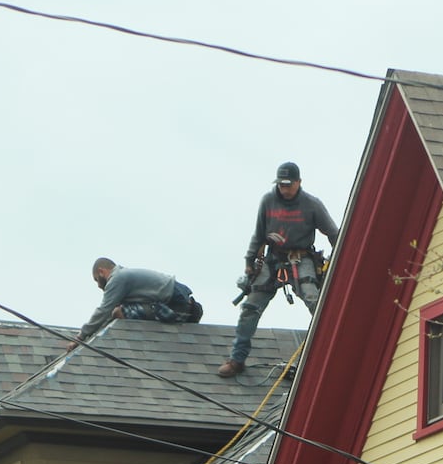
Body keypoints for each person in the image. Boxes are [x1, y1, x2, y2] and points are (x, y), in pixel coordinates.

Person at [219, 161, 339, 377]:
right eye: (281, 185)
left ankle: (332, 353)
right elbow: (259, 234)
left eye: (288, 184)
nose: (284, 189)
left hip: (300, 258)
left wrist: (341, 260)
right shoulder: (268, 201)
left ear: (298, 183)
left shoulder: (311, 204)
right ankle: (237, 360)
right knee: (250, 308)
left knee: (315, 300)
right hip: (272, 260)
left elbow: (334, 234)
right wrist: (249, 261)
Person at [79, 258, 203, 338]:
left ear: (101, 271)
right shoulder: (124, 277)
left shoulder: (117, 279)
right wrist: (92, 333)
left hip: (178, 306)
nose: (99, 285)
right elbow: (107, 315)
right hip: (184, 302)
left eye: (96, 280)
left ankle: (137, 339)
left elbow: (104, 310)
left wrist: (81, 336)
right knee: (119, 310)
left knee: (119, 312)